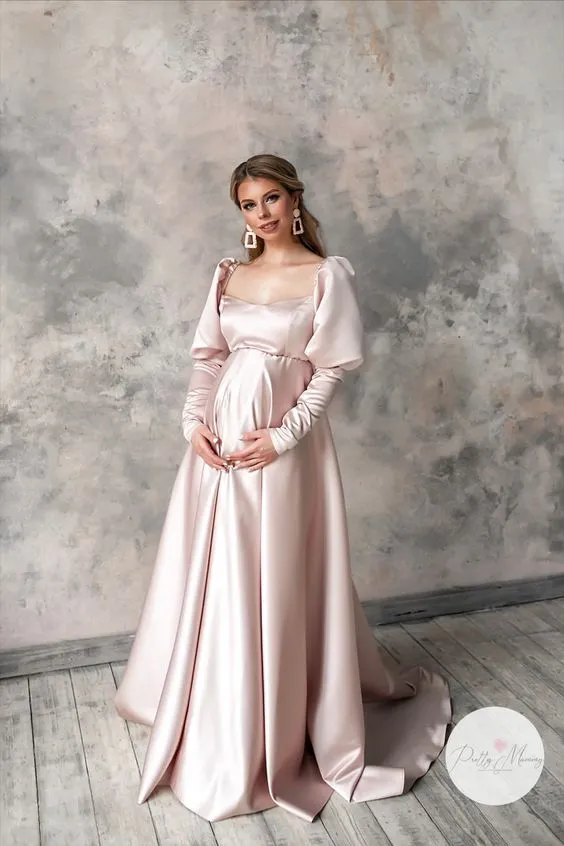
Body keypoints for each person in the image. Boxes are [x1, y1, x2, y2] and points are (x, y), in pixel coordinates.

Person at [114, 154, 453, 823]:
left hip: (284, 452)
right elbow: (210, 358)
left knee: (275, 571)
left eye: (271, 199)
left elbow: (330, 371)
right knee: (220, 573)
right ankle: (216, 713)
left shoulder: (326, 276)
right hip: (218, 449)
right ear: (240, 212)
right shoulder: (229, 274)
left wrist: (283, 436)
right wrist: (192, 425)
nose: (261, 213)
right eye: (249, 204)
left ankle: (275, 721)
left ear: (294, 200)